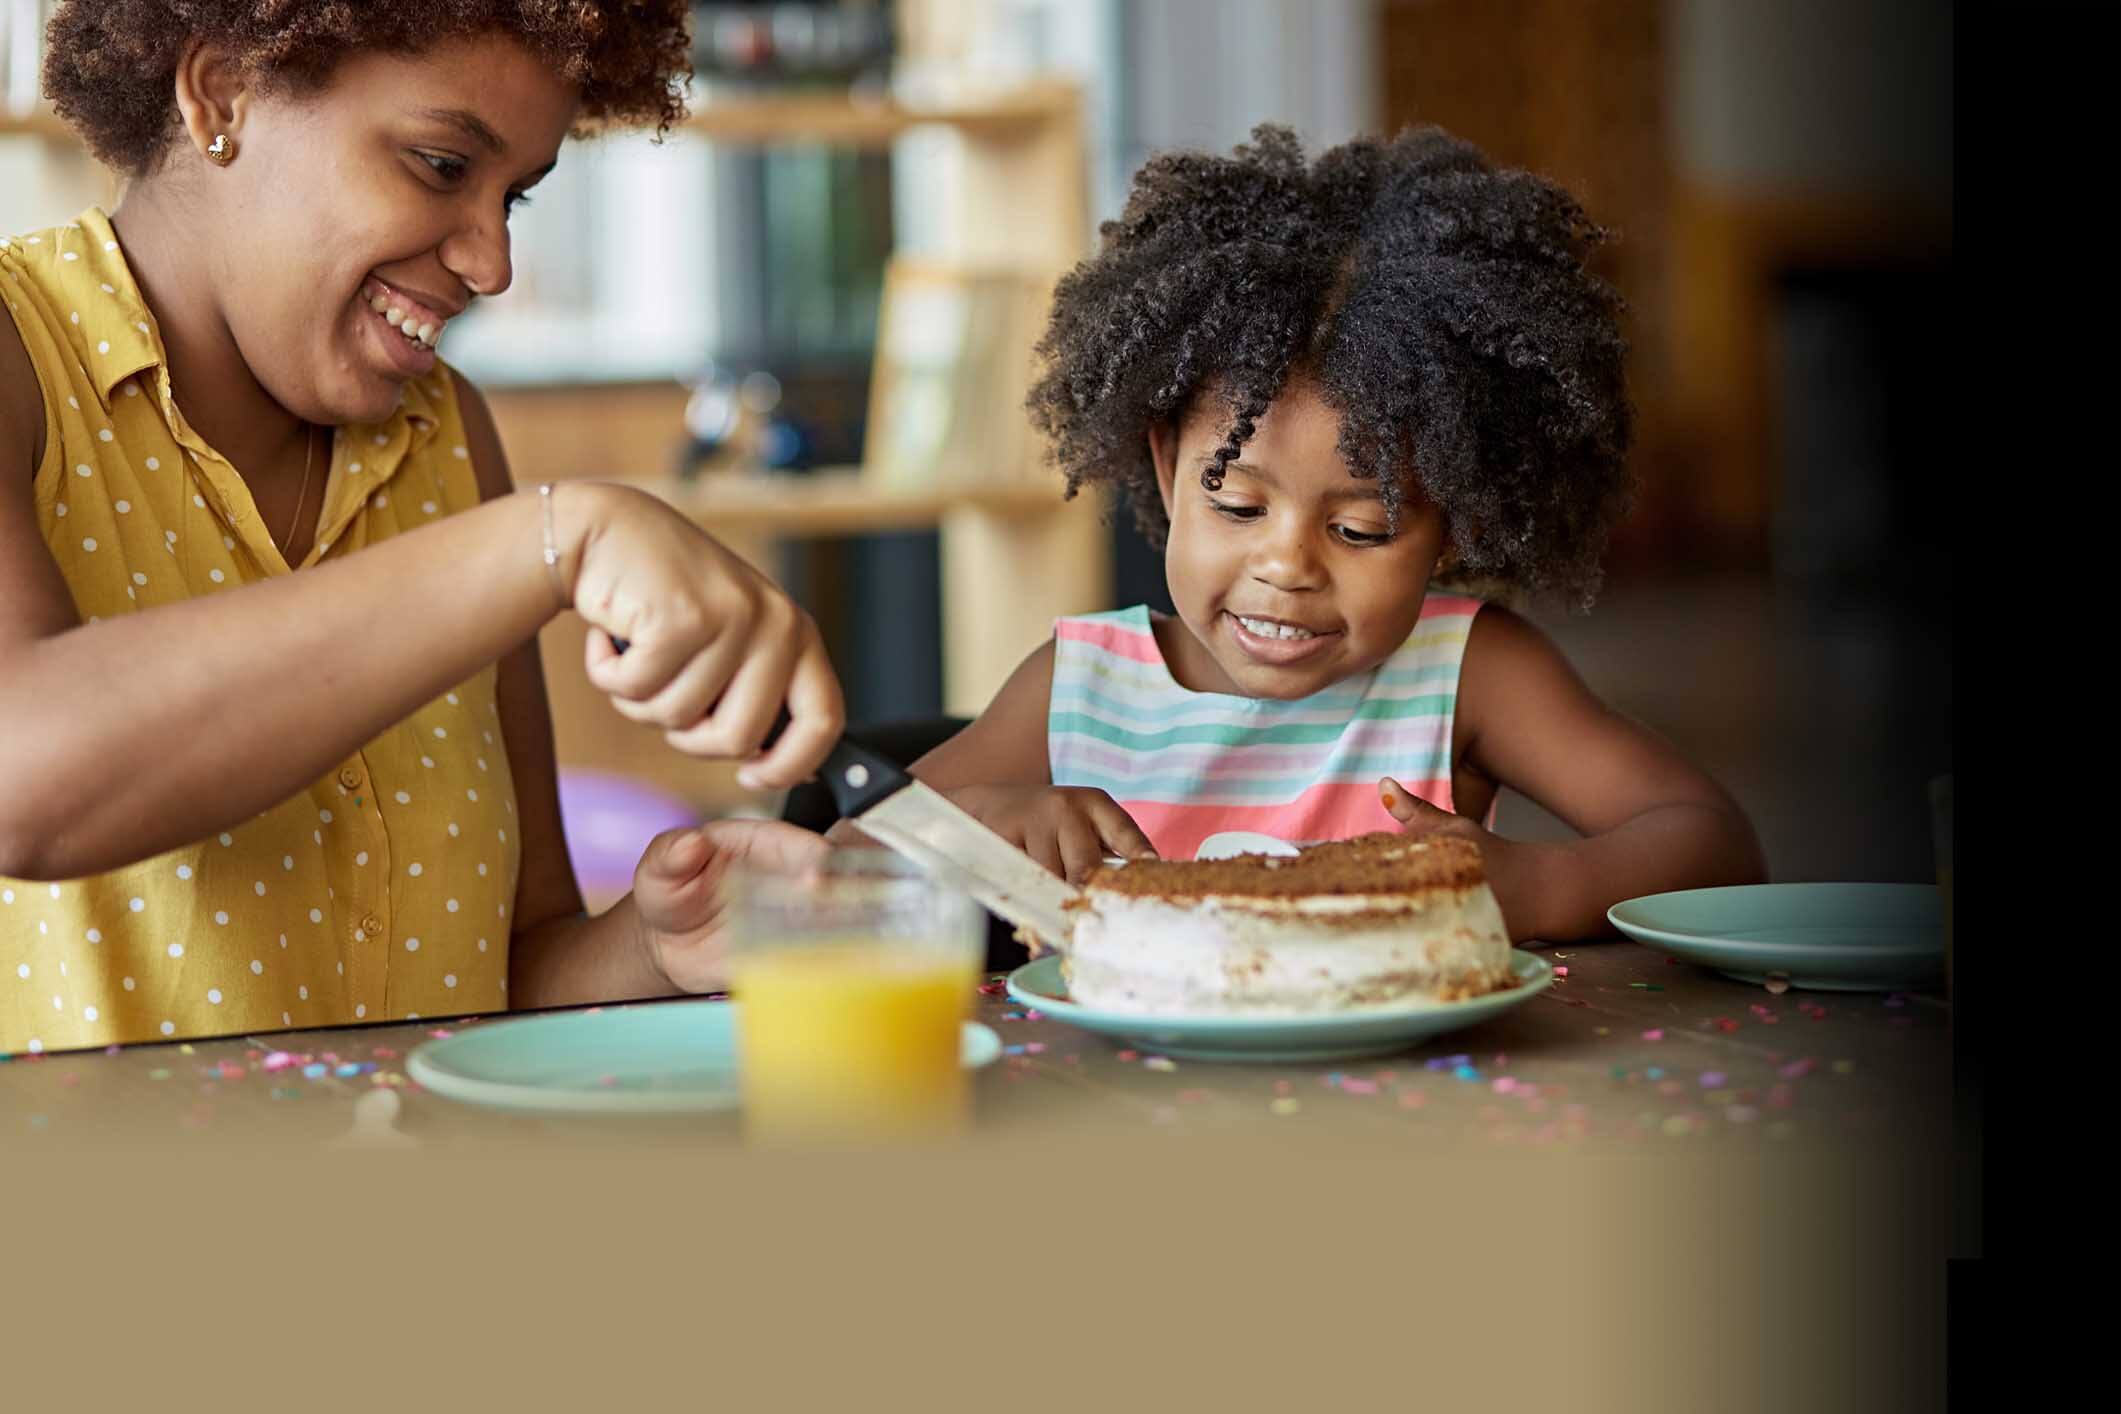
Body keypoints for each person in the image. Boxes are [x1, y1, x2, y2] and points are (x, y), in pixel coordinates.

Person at [0, 2, 843, 1057]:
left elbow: (509, 972)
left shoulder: (446, 436)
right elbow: (21, 776)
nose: (491, 264)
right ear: (222, 92)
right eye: (443, 167)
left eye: (515, 199)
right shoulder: (19, 362)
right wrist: (556, 537)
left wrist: (659, 947)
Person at [888, 124, 1767, 943]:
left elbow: (1714, 845)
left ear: (1451, 524)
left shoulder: (1470, 676)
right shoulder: (1076, 690)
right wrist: (975, 829)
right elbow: (842, 866)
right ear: (1166, 470)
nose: (1286, 565)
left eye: (1360, 527)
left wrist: (1534, 886)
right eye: (1236, 506)